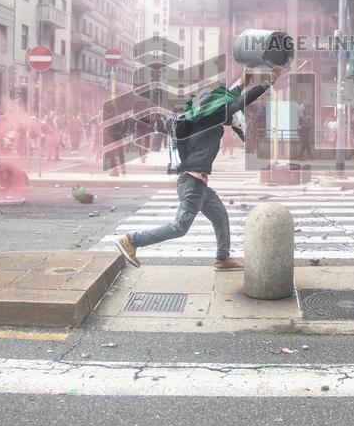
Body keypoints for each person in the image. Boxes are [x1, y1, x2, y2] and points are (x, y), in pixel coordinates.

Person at [116, 66, 281, 272]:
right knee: (179, 227)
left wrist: (242, 83)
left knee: (220, 216)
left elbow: (229, 100)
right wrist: (267, 83)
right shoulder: (210, 119)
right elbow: (239, 102)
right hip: (192, 184)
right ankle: (131, 240)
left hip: (199, 185)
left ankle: (222, 257)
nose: (224, 107)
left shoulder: (199, 118)